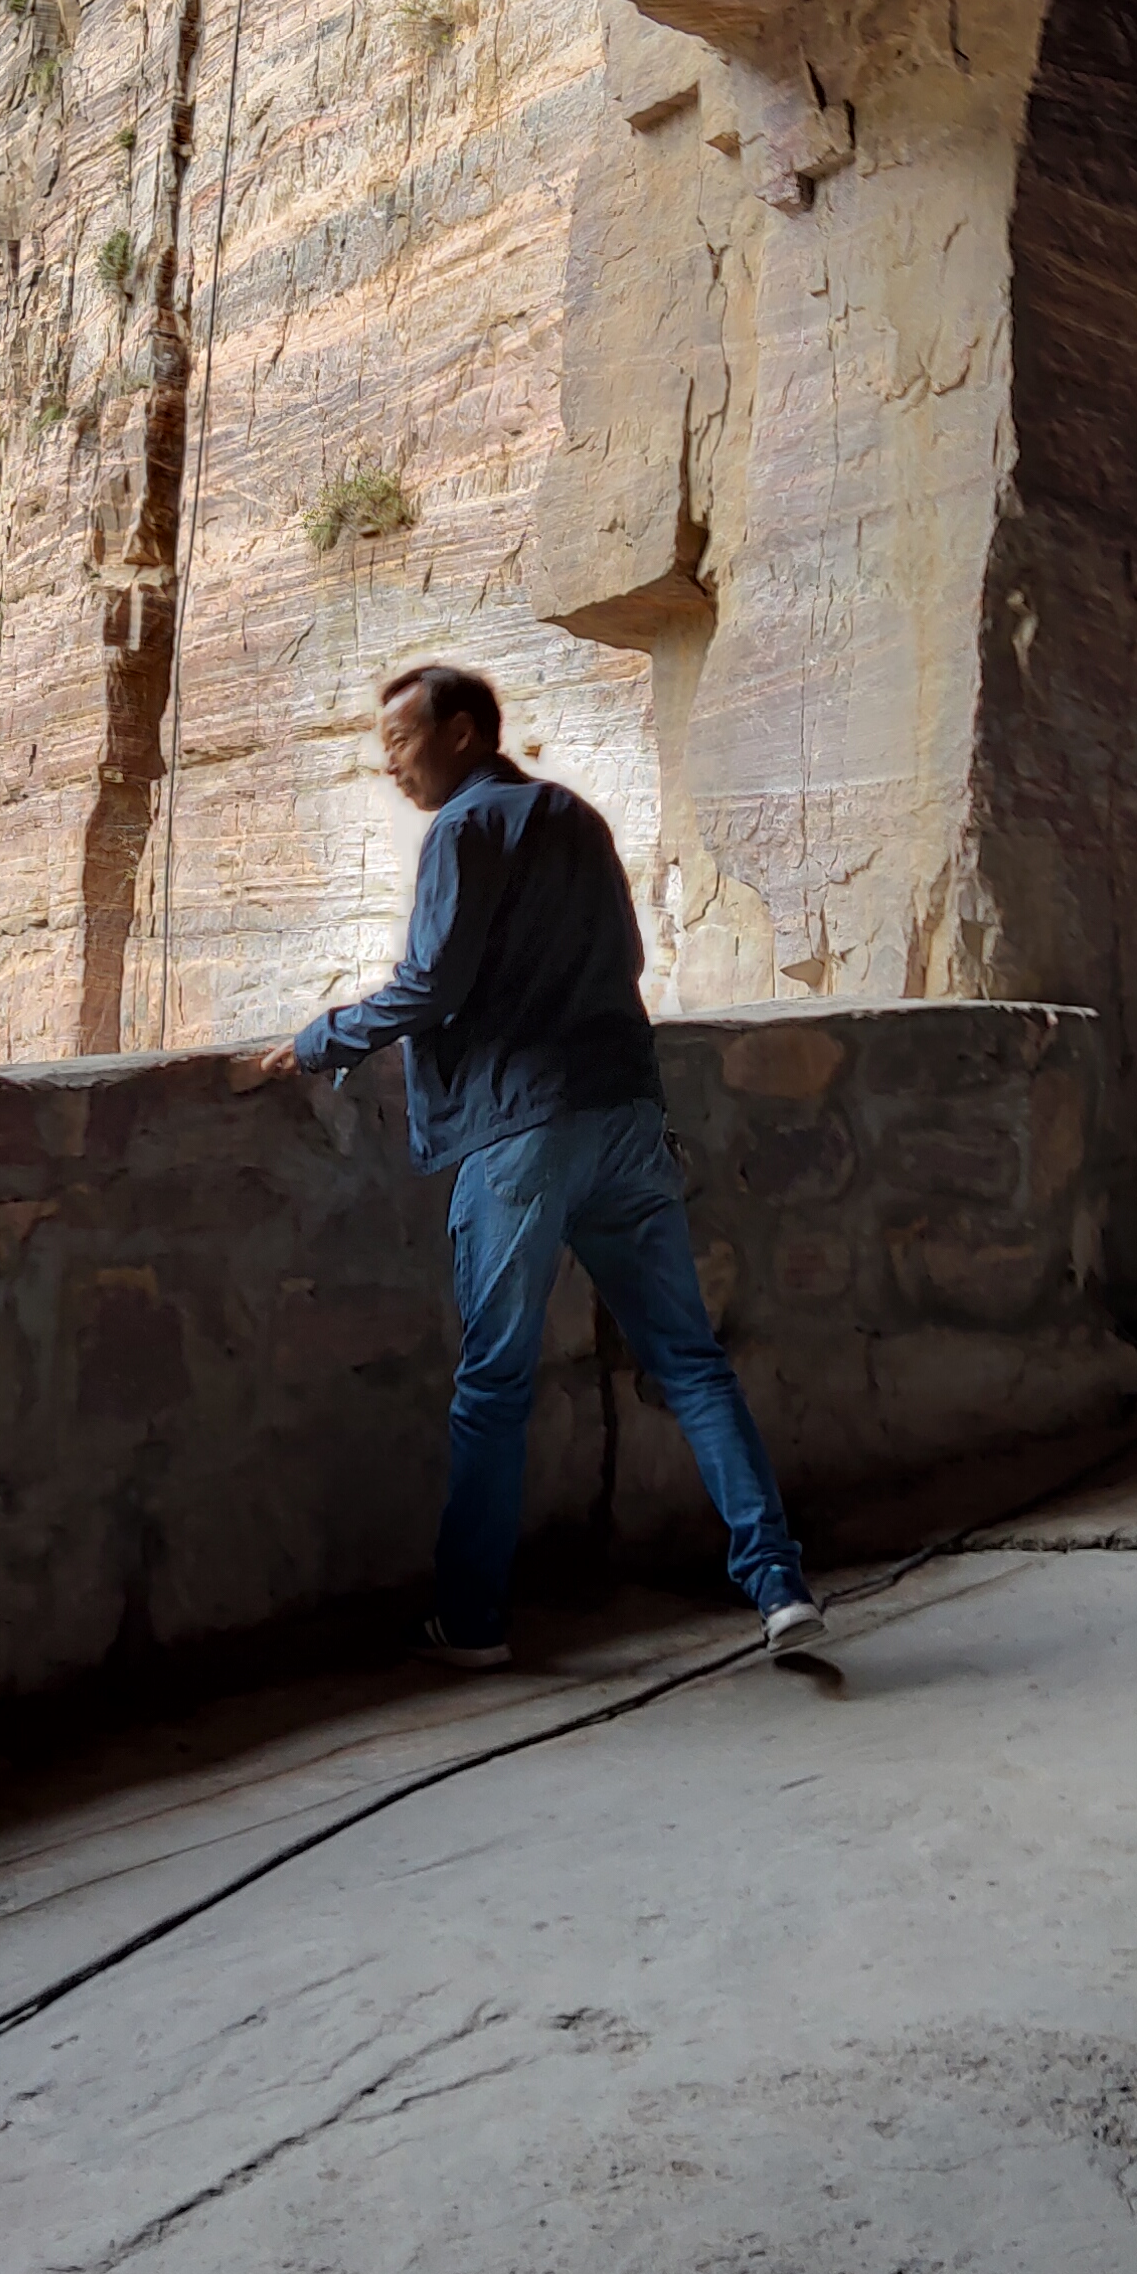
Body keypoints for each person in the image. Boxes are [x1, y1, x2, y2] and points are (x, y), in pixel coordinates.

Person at [255, 662, 826, 1669]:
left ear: (465, 732)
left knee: (494, 1380)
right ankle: (779, 1587)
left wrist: (321, 1040)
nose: (389, 764)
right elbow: (629, 962)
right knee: (691, 1361)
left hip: (521, 1129)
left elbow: (429, 986)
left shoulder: (464, 831)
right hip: (624, 1112)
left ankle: (473, 1621)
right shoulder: (574, 817)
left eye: (401, 741)